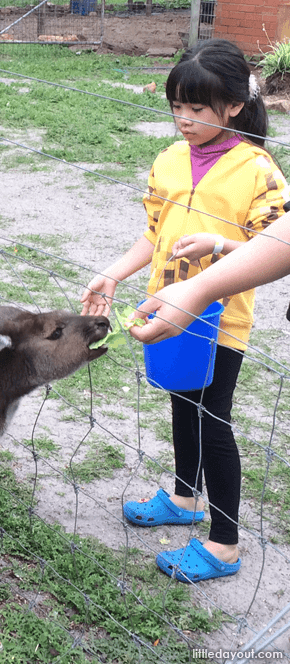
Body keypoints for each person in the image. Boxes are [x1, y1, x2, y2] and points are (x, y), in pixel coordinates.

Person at [80, 38, 290, 583]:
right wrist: (114, 272)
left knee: (212, 417)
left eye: (197, 109)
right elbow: (154, 234)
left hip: (221, 318)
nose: (185, 120)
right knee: (181, 401)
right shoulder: (169, 160)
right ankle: (184, 496)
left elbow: (278, 248)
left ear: (235, 107)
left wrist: (219, 246)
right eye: (177, 107)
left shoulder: (258, 170)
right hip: (164, 304)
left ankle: (224, 543)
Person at [129, 213, 290, 344]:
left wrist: (218, 245)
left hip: (228, 322)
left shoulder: (263, 176)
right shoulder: (163, 172)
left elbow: (272, 240)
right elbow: (154, 229)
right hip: (174, 306)